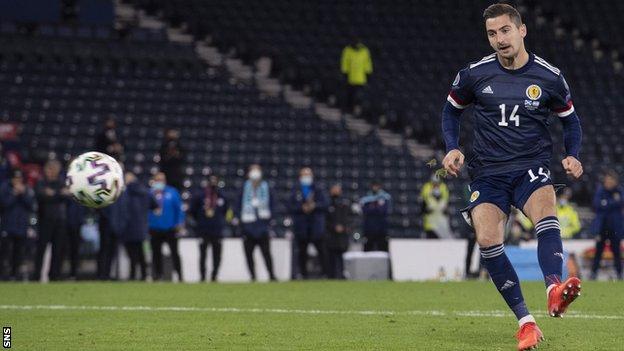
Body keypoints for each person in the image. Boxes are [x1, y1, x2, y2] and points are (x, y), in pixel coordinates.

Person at [440, 4, 583, 349]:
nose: (499, 39)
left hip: (531, 166)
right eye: (492, 33)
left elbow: (571, 121)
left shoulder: (549, 76)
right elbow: (451, 111)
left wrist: (572, 155)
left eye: (505, 31)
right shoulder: (474, 74)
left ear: (522, 31)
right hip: (488, 172)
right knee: (488, 241)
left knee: (546, 214)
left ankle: (553, 290)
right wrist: (451, 146)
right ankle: (526, 323)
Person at [236, 165, 276, 281]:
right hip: (247, 227)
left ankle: (271, 275)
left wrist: (269, 220)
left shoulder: (267, 187)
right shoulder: (243, 188)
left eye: (257, 170)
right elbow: (237, 206)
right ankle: (253, 276)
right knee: (249, 254)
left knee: (266, 253)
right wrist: (241, 221)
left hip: (263, 226)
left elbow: (273, 205)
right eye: (252, 170)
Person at [34, 159, 71, 281]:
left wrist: (53, 194)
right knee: (41, 249)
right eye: (49, 168)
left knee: (58, 250)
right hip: (45, 220)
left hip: (60, 221)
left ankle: (54, 276)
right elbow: (41, 196)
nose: (50, 171)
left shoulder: (61, 183)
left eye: (53, 169)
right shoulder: (41, 183)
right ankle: (36, 275)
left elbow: (66, 196)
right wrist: (59, 194)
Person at [290, 167, 328, 279]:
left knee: (321, 250)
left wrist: (314, 206)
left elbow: (325, 204)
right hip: (301, 226)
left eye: (308, 174)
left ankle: (325, 274)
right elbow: (290, 206)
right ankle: (302, 274)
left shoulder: (318, 189)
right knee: (302, 252)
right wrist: (302, 208)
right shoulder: (295, 190)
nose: (306, 177)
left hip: (316, 226)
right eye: (304, 175)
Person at [190, 175, 229, 282]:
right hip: (203, 230)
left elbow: (226, 211)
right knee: (203, 255)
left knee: (217, 255)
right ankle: (202, 277)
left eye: (215, 180)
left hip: (217, 230)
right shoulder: (200, 196)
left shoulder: (222, 196)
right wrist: (199, 222)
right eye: (211, 180)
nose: (213, 183)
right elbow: (192, 211)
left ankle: (214, 276)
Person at [148, 172, 185, 281]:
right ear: (154, 180)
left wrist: (179, 223)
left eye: (162, 180)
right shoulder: (150, 193)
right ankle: (157, 276)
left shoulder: (172, 192)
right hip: (154, 228)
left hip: (170, 228)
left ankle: (180, 276)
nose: (160, 182)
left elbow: (179, 209)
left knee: (175, 253)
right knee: (156, 254)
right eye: (158, 180)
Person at [0, 169, 35, 280]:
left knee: (18, 252)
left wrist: (23, 193)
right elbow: (4, 204)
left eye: (19, 178)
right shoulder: (5, 188)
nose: (17, 180)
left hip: (21, 226)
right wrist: (14, 194)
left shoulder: (26, 189)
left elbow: (31, 205)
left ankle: (15, 274)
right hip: (7, 225)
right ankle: (3, 274)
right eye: (15, 178)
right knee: (5, 252)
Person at [120, 172, 156, 281]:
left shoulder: (124, 193)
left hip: (128, 228)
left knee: (132, 256)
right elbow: (155, 205)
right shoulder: (145, 192)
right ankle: (145, 275)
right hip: (142, 229)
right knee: (142, 254)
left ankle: (132, 276)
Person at [590, 171, 623, 280]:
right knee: (598, 252)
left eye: (611, 181)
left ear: (615, 182)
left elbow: (620, 202)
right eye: (607, 180)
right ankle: (593, 273)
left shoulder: (619, 191)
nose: (608, 183)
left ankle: (619, 274)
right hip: (602, 227)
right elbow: (596, 204)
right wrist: (613, 202)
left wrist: (606, 203)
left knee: (616, 252)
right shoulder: (600, 190)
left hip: (615, 228)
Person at [325, 184, 351, 279]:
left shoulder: (345, 203)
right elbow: (325, 220)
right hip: (330, 235)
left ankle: (341, 275)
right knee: (330, 256)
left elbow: (350, 218)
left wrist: (345, 227)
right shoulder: (327, 203)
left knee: (341, 256)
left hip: (342, 236)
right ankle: (330, 275)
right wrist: (333, 227)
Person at [341, 37, 373, 113]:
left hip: (361, 80)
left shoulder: (365, 51)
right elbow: (344, 63)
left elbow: (368, 64)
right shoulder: (347, 50)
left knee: (359, 98)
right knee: (350, 96)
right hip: (350, 79)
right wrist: (345, 74)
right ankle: (349, 110)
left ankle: (357, 112)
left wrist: (368, 74)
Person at [359, 181, 391, 251]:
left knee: (383, 249)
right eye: (374, 186)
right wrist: (376, 207)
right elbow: (365, 211)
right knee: (368, 250)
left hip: (381, 228)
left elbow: (383, 211)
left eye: (377, 186)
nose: (375, 188)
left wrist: (372, 207)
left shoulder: (385, 197)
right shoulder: (366, 198)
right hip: (369, 228)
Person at [66, 197, 87, 279]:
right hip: (65, 222)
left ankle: (73, 273)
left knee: (75, 249)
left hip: (77, 222)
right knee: (62, 249)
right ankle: (56, 274)